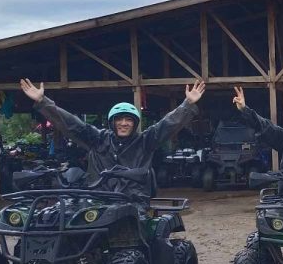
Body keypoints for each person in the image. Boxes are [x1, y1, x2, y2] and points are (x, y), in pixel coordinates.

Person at [19, 78, 205, 197]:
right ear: (112, 122)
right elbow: (72, 124)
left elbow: (168, 124)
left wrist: (187, 104)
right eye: (119, 120)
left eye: (128, 120)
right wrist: (43, 103)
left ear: (135, 123)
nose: (124, 123)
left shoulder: (145, 140)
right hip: (98, 198)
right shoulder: (97, 139)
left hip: (132, 200)